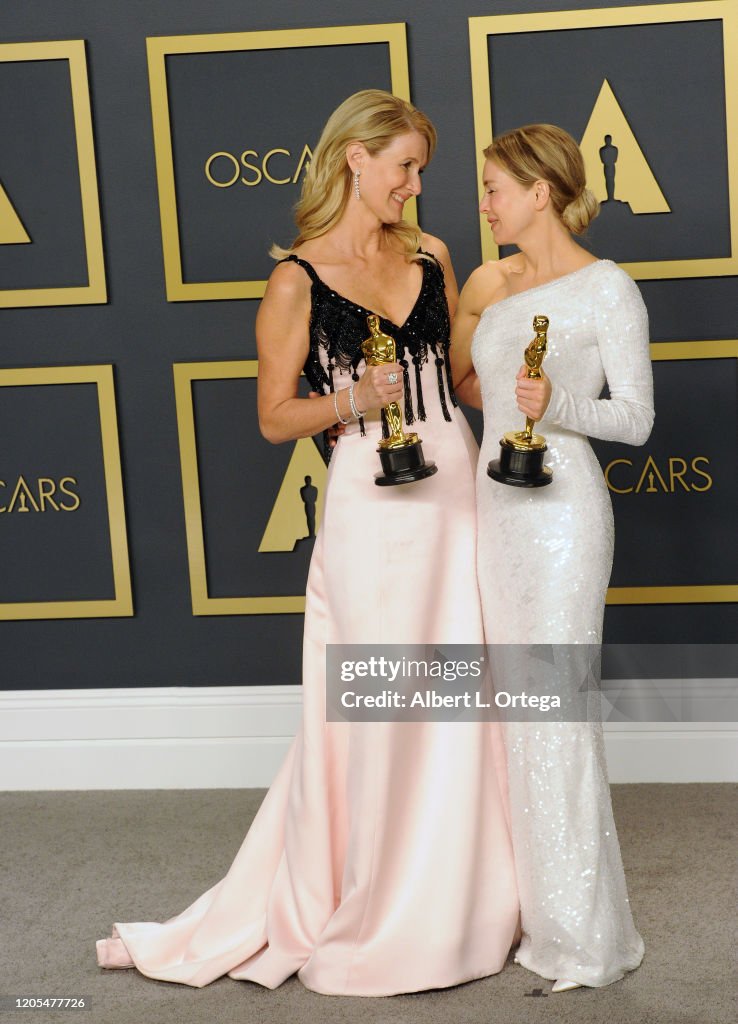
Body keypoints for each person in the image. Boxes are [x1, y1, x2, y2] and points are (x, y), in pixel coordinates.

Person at [96, 90, 519, 996]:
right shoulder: (296, 280)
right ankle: (377, 904)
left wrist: (536, 396)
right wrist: (354, 403)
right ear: (354, 161)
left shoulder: (432, 254)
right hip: (374, 514)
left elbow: (463, 380)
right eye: (404, 166)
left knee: (461, 694)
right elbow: (272, 416)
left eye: (423, 170)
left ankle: (464, 898)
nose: (416, 185)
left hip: (457, 497)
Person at [451, 123, 652, 991]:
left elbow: (637, 422)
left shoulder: (609, 289)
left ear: (541, 192)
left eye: (495, 187)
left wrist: (563, 401)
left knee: (558, 714)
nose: (484, 201)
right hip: (495, 512)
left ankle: (585, 935)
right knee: (514, 718)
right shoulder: (495, 290)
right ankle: (533, 915)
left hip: (565, 518)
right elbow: (478, 395)